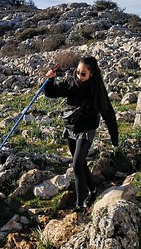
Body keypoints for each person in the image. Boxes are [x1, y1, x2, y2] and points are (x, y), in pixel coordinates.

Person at [44, 56, 119, 210]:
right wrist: (50, 80)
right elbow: (51, 93)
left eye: (83, 73)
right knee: (80, 162)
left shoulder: (97, 89)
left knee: (77, 163)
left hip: (86, 129)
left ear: (92, 74)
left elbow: (108, 113)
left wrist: (114, 137)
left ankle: (80, 205)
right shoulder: (71, 83)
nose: (78, 75)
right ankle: (93, 189)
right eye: (77, 72)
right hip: (71, 128)